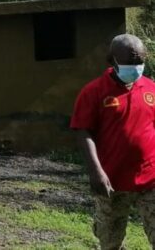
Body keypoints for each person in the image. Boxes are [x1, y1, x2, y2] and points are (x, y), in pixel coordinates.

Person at [70, 34, 155, 249]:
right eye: (130, 63)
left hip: (150, 179)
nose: (136, 68)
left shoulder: (151, 88)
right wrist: (95, 172)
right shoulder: (93, 92)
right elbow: (83, 131)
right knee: (110, 242)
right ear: (112, 61)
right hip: (112, 181)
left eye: (140, 62)